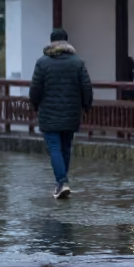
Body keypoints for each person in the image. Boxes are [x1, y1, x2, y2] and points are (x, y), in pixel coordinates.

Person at [29, 27, 93, 200]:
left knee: (55, 148)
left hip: (49, 113)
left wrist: (35, 105)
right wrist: (86, 106)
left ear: (51, 42)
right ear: (67, 42)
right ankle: (63, 181)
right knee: (66, 146)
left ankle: (61, 181)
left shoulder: (42, 63)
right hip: (72, 113)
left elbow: (35, 88)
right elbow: (86, 87)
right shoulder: (77, 62)